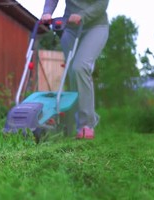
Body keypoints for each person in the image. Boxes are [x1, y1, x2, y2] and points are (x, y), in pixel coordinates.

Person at [42, 0, 109, 139]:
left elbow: (102, 4)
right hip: (71, 28)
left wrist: (83, 15)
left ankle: (86, 124)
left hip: (95, 26)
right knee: (72, 73)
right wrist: (47, 12)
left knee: (80, 67)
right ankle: (68, 122)